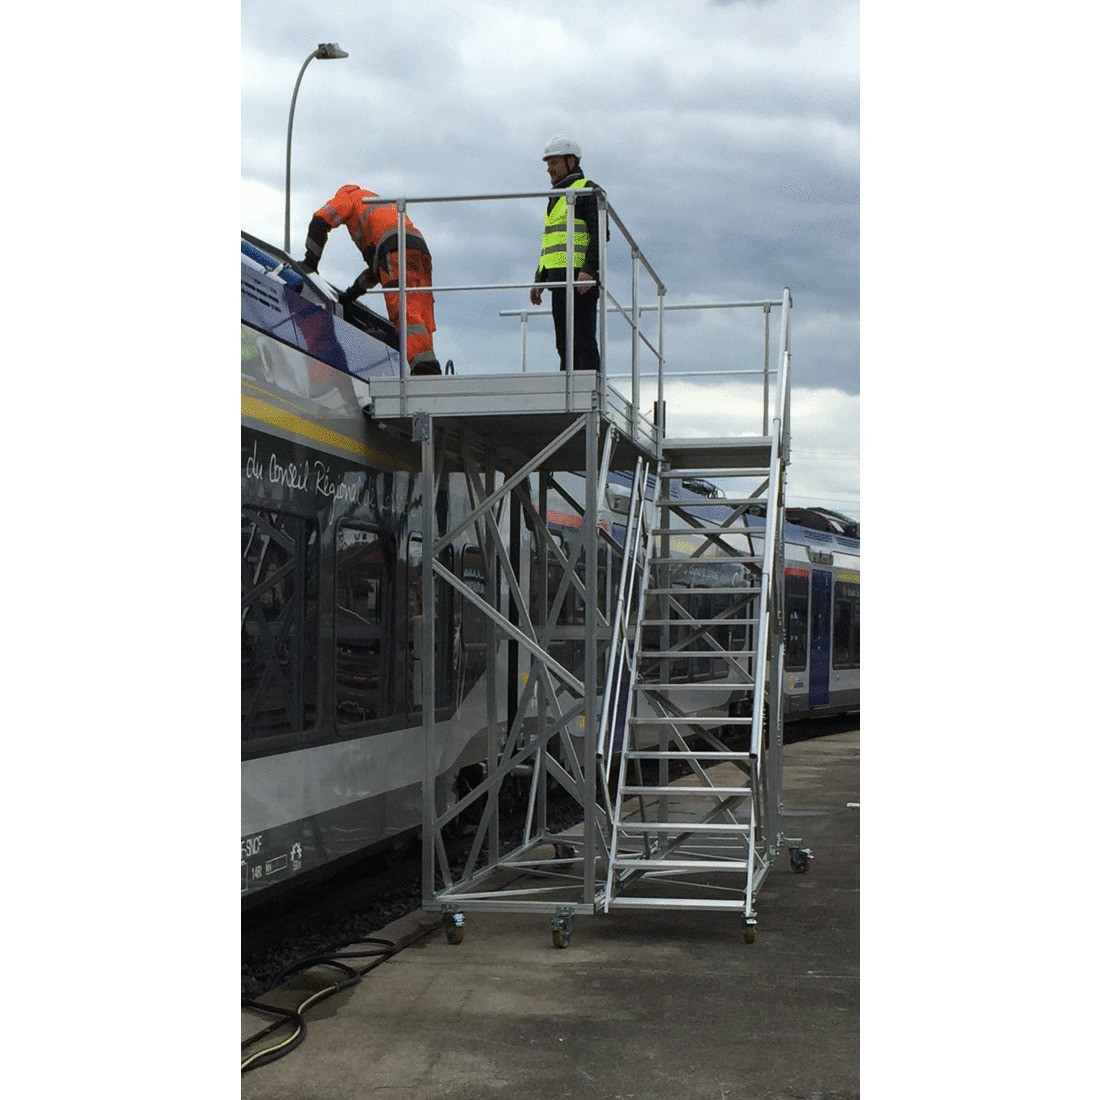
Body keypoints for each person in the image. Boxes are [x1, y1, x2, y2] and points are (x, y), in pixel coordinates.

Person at [301, 183, 442, 375]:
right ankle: (429, 363)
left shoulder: (349, 196)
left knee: (403, 307)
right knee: (421, 306)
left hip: (396, 250)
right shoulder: (381, 205)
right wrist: (351, 295)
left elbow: (319, 221)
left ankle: (423, 369)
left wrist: (310, 263)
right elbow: (378, 270)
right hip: (419, 249)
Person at [529, 137, 605, 371]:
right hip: (559, 281)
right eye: (548, 164)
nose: (549, 169)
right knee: (564, 344)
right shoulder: (556, 197)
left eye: (554, 163)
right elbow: (551, 242)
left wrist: (588, 271)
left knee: (583, 341)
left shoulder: (588, 191)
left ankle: (589, 394)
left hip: (580, 279)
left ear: (571, 162)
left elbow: (600, 234)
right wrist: (539, 279)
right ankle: (568, 397)